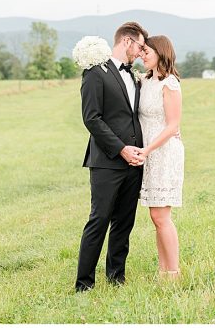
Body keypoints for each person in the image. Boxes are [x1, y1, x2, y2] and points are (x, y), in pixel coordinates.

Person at [75, 21, 148, 292]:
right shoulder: (96, 73)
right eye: (140, 46)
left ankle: (116, 278)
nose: (141, 52)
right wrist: (120, 149)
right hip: (107, 161)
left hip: (134, 162)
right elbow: (91, 118)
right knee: (100, 219)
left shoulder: (134, 76)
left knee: (124, 222)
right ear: (127, 42)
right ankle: (84, 284)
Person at [139, 34, 185, 279]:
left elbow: (172, 126)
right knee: (155, 216)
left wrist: (147, 150)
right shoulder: (146, 81)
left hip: (164, 152)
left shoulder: (170, 84)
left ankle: (173, 272)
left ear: (160, 53)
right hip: (149, 153)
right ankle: (163, 270)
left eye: (146, 51)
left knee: (161, 215)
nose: (142, 55)